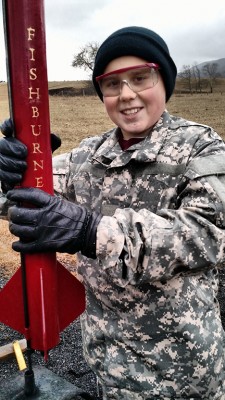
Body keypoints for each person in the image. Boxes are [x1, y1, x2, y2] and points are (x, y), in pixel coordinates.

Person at [0, 26, 225, 399]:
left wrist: (90, 232)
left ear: (164, 80)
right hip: (110, 369)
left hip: (183, 377)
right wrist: (12, 170)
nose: (127, 95)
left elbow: (205, 234)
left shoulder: (202, 149)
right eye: (112, 84)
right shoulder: (90, 156)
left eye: (141, 78)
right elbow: (22, 203)